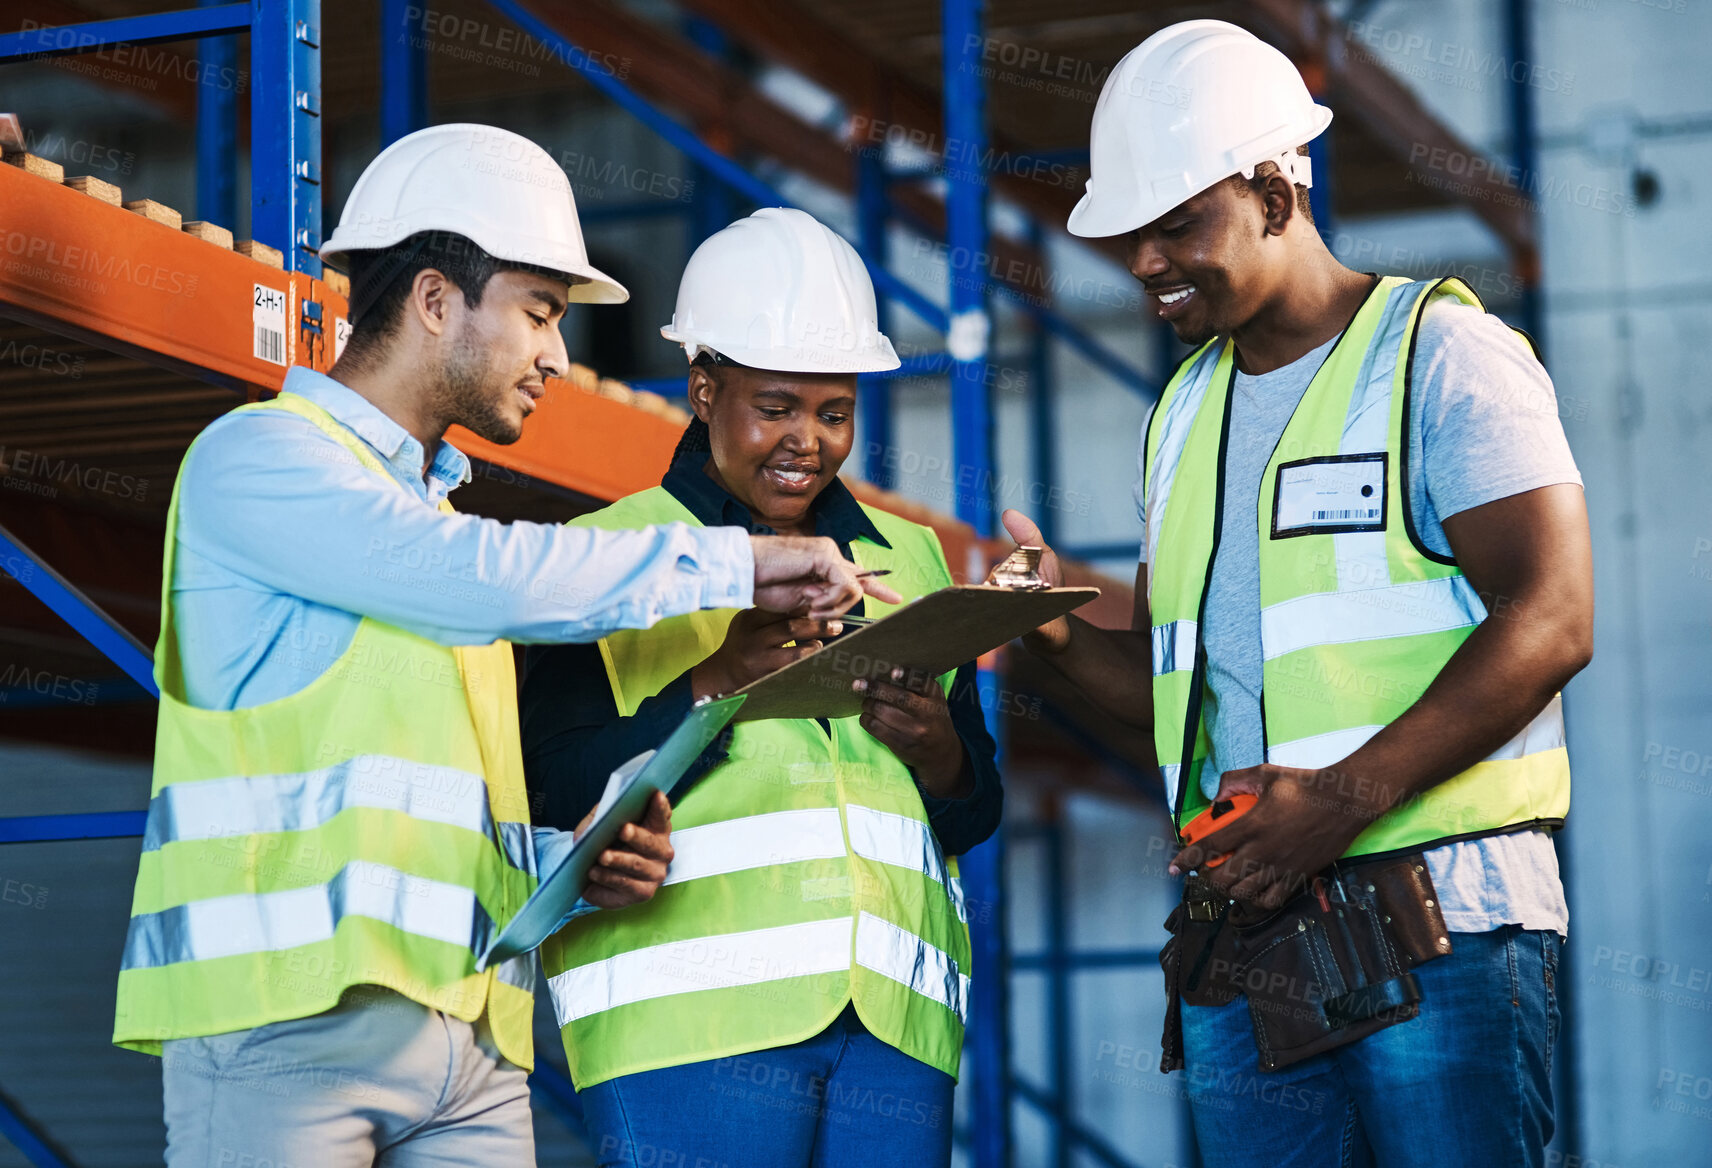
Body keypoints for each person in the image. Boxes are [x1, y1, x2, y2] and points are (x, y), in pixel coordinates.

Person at [113, 126, 896, 1167]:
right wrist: (737, 563)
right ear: (436, 301)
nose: (557, 356)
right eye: (539, 313)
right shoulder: (259, 461)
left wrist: (569, 860)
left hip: (471, 1039)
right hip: (284, 1027)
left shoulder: (438, 527)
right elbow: (465, 574)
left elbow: (424, 810)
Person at [1004, 21, 1592, 1168]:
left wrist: (1337, 800)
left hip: (1444, 922)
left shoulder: (1440, 357)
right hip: (1248, 933)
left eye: (1178, 224)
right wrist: (1051, 631)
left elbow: (1553, 614)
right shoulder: (1179, 413)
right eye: (1132, 234)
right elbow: (1180, 684)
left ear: (1274, 192)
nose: (1143, 263)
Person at [521, 207, 1002, 1168]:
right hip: (688, 1027)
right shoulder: (605, 556)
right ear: (704, 389)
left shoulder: (908, 557)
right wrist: (718, 680)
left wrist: (936, 750)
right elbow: (552, 785)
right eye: (775, 407)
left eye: (834, 413)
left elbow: (973, 807)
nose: (808, 442)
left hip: (893, 1030)